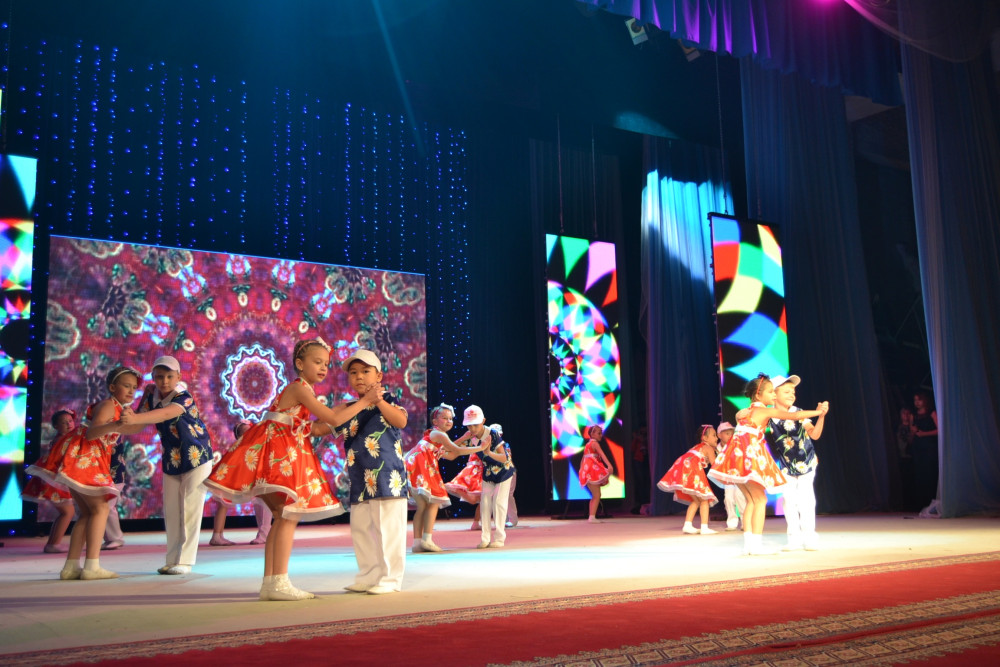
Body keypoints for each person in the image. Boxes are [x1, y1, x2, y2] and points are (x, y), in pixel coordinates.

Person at [204, 339, 376, 601]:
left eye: (326, 364)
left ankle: (272, 582)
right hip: (277, 455)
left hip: (284, 452)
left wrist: (344, 410)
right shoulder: (298, 388)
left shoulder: (305, 391)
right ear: (299, 364)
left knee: (281, 515)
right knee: (288, 515)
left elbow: (317, 427)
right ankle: (278, 581)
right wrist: (363, 403)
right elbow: (331, 419)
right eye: (317, 362)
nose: (323, 368)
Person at [27, 366, 144, 580]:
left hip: (87, 456)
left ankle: (71, 567)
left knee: (87, 513)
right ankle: (92, 566)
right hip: (86, 456)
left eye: (134, 388)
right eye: (126, 386)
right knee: (100, 509)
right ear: (112, 387)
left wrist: (146, 407)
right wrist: (117, 423)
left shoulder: (119, 408)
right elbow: (91, 433)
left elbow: (132, 427)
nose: (131, 391)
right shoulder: (108, 405)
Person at [708, 373, 824, 556]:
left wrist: (738, 414)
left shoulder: (748, 411)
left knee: (751, 501)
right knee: (760, 500)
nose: (774, 395)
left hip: (736, 459)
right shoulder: (765, 411)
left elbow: (741, 416)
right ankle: (756, 546)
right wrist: (818, 412)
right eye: (771, 392)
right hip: (750, 457)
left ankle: (749, 545)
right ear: (759, 394)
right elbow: (796, 416)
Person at [121, 356, 214, 575]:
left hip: (197, 457)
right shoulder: (151, 395)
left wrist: (133, 418)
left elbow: (163, 414)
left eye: (170, 376)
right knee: (172, 511)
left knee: (190, 508)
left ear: (178, 376)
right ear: (153, 377)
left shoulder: (184, 396)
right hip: (172, 458)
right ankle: (172, 559)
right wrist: (115, 425)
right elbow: (137, 424)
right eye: (160, 376)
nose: (164, 381)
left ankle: (185, 561)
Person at [333, 349, 410, 595]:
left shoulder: (388, 399)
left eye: (365, 371)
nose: (359, 376)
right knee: (362, 530)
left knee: (388, 530)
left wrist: (377, 401)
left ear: (379, 376)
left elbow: (400, 421)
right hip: (360, 477)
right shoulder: (351, 407)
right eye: (353, 373)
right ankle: (368, 575)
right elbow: (330, 425)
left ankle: (390, 579)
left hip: (387, 476)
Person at [405, 403, 487, 553]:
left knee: (423, 505)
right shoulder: (439, 434)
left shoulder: (436, 436)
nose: (449, 421)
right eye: (445, 418)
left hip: (417, 465)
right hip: (422, 466)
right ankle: (427, 539)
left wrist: (464, 438)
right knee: (434, 501)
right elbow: (456, 450)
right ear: (435, 421)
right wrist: (480, 448)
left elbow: (450, 455)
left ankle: (417, 543)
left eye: (450, 418)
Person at [765, 375, 829, 551]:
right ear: (774, 394)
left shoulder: (798, 412)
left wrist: (821, 416)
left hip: (806, 462)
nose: (791, 394)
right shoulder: (769, 415)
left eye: (793, 391)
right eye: (786, 391)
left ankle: (810, 537)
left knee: (806, 499)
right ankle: (794, 539)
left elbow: (815, 435)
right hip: (786, 464)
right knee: (789, 501)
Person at [22, 410, 78, 553]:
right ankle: (53, 544)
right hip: (54, 480)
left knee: (66, 512)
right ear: (56, 426)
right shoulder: (62, 440)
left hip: (55, 479)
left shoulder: (66, 438)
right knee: (67, 512)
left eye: (70, 421)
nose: (69, 424)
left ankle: (52, 544)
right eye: (64, 422)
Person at [461, 405, 514, 549]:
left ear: (483, 421)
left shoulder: (493, 434)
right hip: (488, 473)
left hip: (504, 472)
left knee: (499, 502)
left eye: (475, 424)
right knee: (484, 504)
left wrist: (488, 452)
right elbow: (455, 449)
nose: (472, 428)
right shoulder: (470, 436)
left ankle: (499, 538)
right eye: (469, 425)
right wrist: (463, 438)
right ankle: (485, 538)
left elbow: (504, 458)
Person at [658, 425, 720, 535]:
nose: (716, 438)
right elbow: (715, 465)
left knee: (696, 500)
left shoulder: (697, 447)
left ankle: (687, 525)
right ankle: (704, 527)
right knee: (704, 499)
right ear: (704, 438)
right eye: (714, 435)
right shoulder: (708, 448)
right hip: (692, 470)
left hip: (683, 469)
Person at [911, 391, 940, 517]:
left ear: (924, 400)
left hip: (929, 446)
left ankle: (931, 503)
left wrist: (924, 434)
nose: (917, 402)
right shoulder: (914, 416)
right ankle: (920, 504)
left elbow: (939, 430)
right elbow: (912, 434)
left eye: (919, 400)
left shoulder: (932, 413)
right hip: (918, 447)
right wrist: (913, 432)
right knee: (920, 475)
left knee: (930, 474)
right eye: (915, 400)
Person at [578, 425, 613, 523]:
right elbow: (602, 455)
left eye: (601, 433)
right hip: (592, 471)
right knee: (597, 495)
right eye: (599, 433)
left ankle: (591, 516)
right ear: (592, 434)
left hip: (587, 471)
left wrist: (581, 471)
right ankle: (592, 517)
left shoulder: (588, 445)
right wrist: (609, 466)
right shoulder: (594, 443)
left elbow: (583, 459)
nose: (601, 435)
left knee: (595, 495)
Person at [715, 422, 746, 531]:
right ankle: (732, 523)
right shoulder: (717, 449)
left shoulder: (736, 445)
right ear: (719, 435)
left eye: (731, 433)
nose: (730, 436)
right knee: (728, 498)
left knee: (740, 497)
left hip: (738, 476)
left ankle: (745, 522)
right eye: (727, 433)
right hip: (727, 479)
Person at [101, 440, 129, 550]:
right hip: (107, 473)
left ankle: (115, 538)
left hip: (113, 474)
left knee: (108, 506)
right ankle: (110, 538)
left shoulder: (112, 436)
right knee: (105, 506)